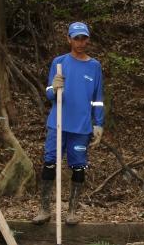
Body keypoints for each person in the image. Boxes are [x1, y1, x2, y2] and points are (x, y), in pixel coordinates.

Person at [32, 21, 104, 225]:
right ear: (69, 39)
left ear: (88, 39)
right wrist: (53, 88)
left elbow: (98, 99)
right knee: (49, 162)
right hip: (58, 123)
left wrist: (98, 123)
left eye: (84, 38)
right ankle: (45, 209)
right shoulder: (59, 62)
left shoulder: (94, 66)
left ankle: (72, 211)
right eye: (77, 38)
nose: (81, 42)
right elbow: (48, 94)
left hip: (81, 126)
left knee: (79, 167)